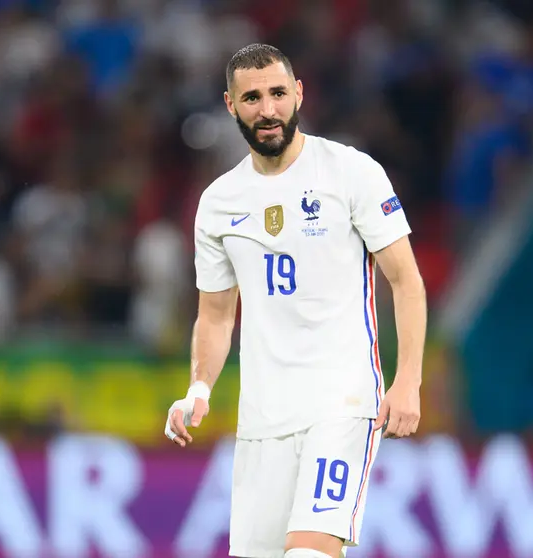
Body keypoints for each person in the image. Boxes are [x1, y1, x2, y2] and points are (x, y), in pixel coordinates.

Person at [164, 44, 427, 558]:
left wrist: (408, 380)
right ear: (230, 105)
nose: (268, 110)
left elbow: (407, 280)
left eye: (278, 93)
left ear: (299, 93)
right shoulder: (219, 203)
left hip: (342, 404)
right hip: (262, 419)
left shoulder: (351, 172)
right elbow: (216, 317)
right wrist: (199, 386)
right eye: (253, 97)